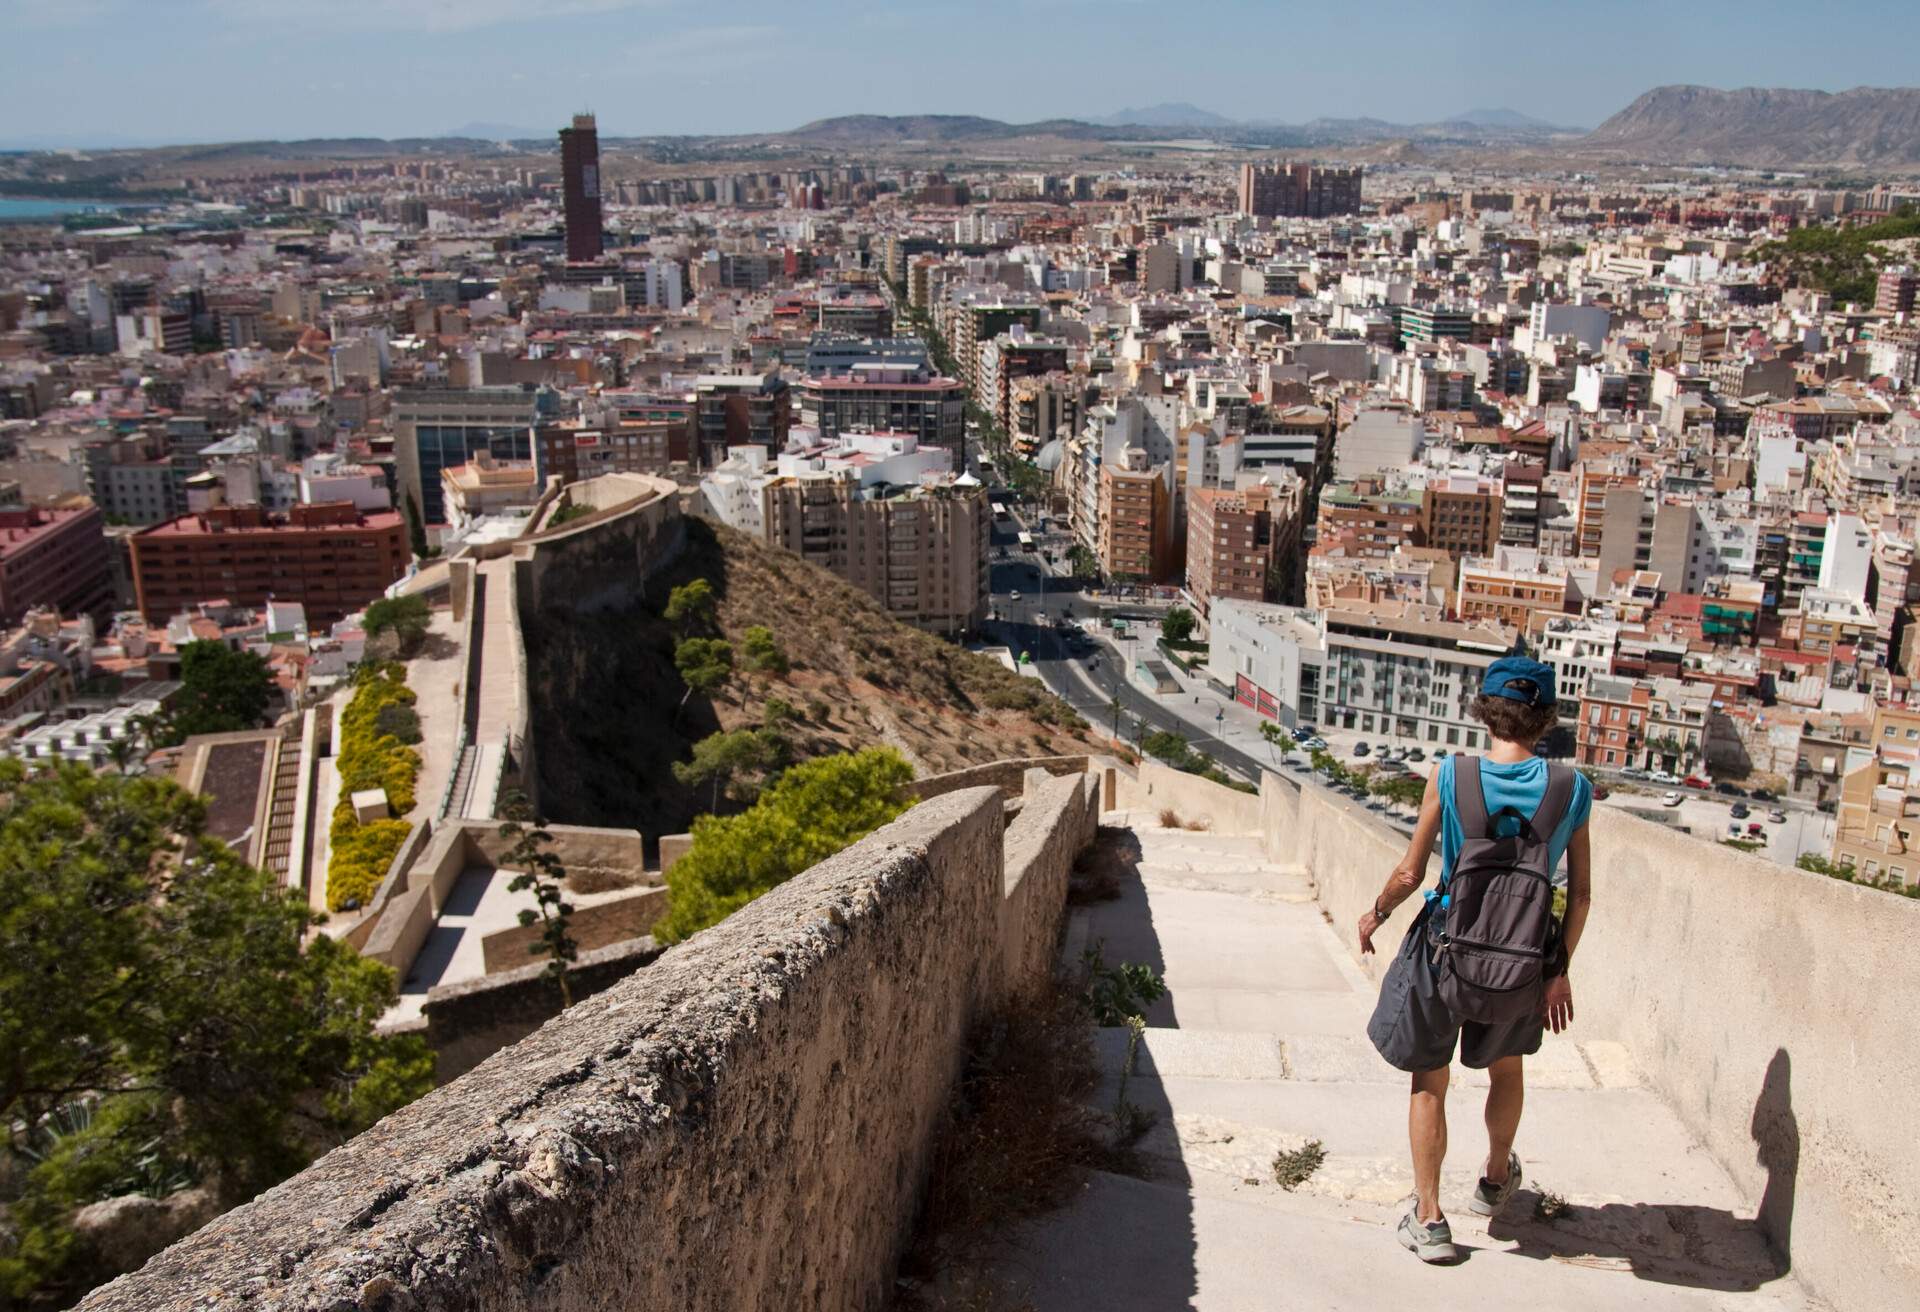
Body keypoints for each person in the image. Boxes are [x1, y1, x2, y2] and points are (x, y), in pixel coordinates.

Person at [1356, 653, 1593, 1264]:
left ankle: (1431, 1220)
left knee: (1429, 1080)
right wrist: (1557, 968)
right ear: (1544, 719)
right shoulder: (1571, 789)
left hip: (1445, 953)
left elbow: (1411, 870)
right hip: (1524, 960)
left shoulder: (1453, 775)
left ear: (1485, 710)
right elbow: (1581, 891)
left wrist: (1376, 913)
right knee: (1506, 1068)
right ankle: (1493, 1180)